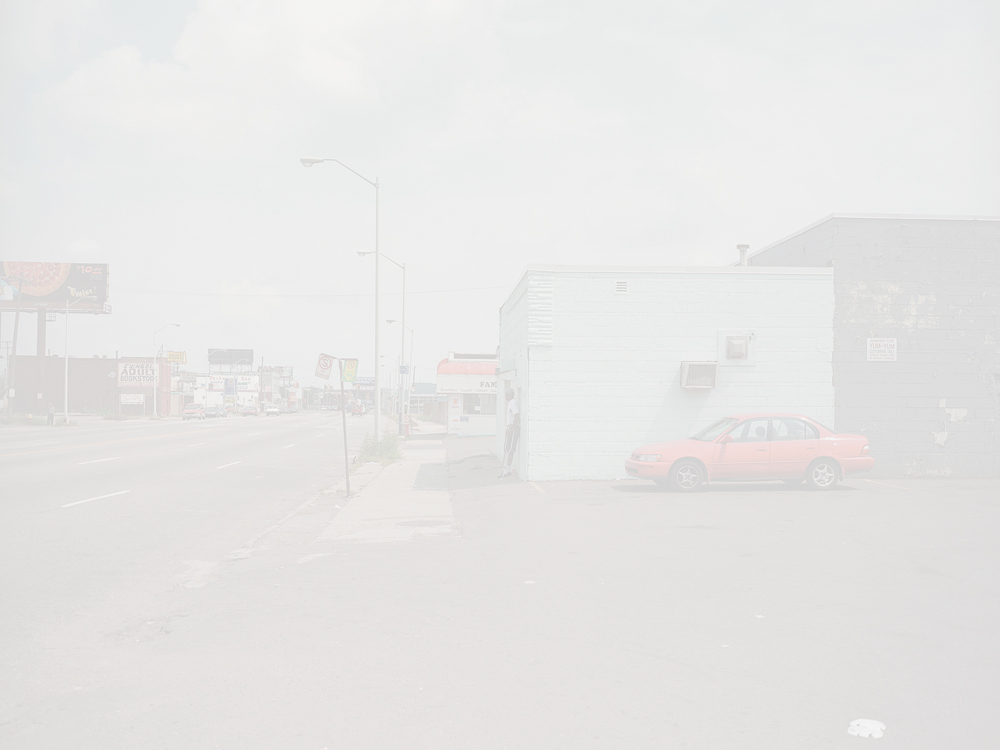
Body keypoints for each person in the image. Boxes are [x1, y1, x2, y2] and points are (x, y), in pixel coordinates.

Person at [500, 387, 520, 478]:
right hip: (509, 427)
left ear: (509, 395)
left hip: (513, 428)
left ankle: (507, 470)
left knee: (510, 449)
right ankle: (506, 470)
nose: (505, 396)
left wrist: (512, 428)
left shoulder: (513, 403)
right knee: (507, 448)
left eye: (506, 394)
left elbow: (516, 416)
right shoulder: (510, 403)